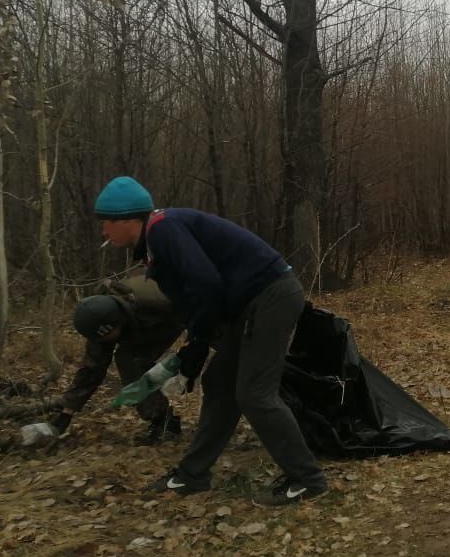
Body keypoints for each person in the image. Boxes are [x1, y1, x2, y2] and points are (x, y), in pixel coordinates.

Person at [94, 176, 328, 506]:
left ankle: (308, 479)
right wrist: (193, 349)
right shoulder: (157, 238)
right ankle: (192, 475)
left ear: (127, 219)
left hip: (270, 295)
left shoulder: (162, 229)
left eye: (105, 223)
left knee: (255, 394)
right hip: (252, 304)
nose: (104, 232)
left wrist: (198, 346)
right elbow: (197, 295)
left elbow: (206, 284)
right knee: (219, 381)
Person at [44, 271, 186, 445]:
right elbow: (93, 367)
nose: (103, 342)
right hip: (146, 323)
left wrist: (195, 348)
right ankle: (163, 422)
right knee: (129, 360)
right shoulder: (98, 317)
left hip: (181, 310)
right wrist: (67, 411)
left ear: (117, 321)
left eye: (105, 338)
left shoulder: (156, 300)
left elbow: (202, 307)